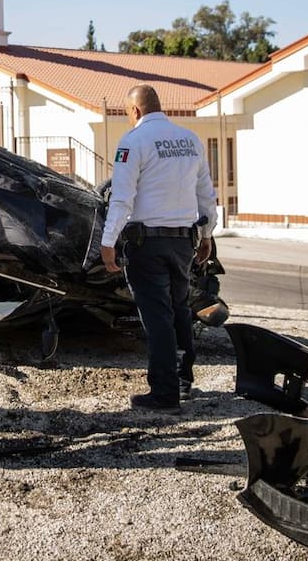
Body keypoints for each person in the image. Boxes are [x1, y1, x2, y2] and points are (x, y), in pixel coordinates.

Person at [100, 84, 216, 414]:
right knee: (179, 309)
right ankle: (182, 381)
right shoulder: (190, 140)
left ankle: (165, 393)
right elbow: (206, 193)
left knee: (157, 317)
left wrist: (108, 242)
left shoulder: (133, 141)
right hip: (183, 242)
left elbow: (122, 198)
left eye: (126, 112)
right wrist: (207, 234)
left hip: (146, 243)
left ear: (135, 111)